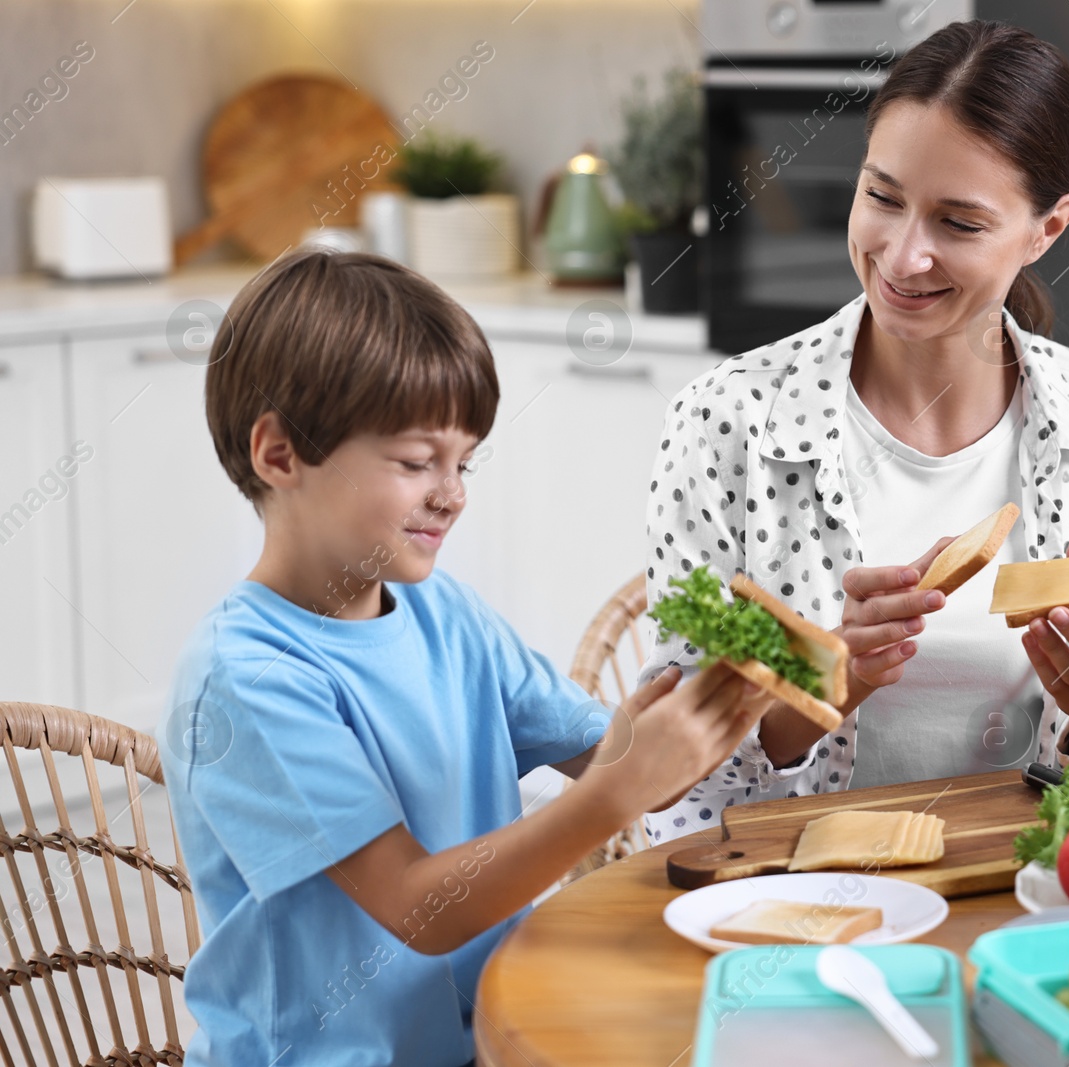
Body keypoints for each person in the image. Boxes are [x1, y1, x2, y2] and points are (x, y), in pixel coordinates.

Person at [160, 249, 765, 1066]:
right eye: (417, 463)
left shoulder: (447, 614)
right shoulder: (247, 677)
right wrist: (621, 790)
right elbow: (419, 907)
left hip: (487, 1038)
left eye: (463, 461)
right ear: (280, 455)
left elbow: (612, 754)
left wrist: (748, 685)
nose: (454, 493)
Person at [641, 20, 1069, 844]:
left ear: (1048, 228)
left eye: (959, 224)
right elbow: (672, 777)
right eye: (882, 197)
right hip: (782, 910)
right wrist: (828, 678)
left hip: (1028, 896)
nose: (903, 257)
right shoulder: (728, 420)